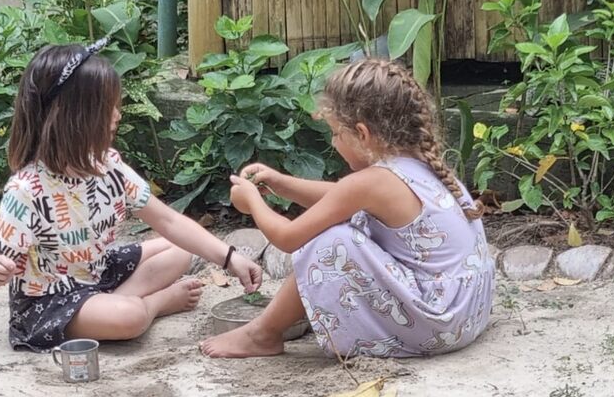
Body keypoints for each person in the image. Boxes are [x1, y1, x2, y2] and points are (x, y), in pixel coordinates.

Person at [200, 58, 495, 360]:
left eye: (337, 133)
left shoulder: (372, 182)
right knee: (338, 226)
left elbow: (287, 237)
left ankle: (262, 334)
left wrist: (252, 200)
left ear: (362, 134)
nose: (333, 141)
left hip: (439, 324)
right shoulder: (419, 161)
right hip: (469, 312)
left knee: (330, 241)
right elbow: (340, 198)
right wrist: (280, 184)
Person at [0, 40, 262, 351]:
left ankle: (118, 303)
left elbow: (168, 221)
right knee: (128, 318)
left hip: (100, 274)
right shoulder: (26, 189)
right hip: (51, 301)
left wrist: (229, 257)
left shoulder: (109, 166)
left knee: (180, 249)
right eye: (108, 107)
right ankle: (151, 305)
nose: (117, 115)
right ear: (72, 115)